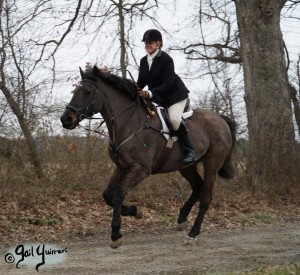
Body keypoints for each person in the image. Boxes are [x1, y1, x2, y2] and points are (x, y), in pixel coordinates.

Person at [137, 29, 196, 164]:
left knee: (174, 120)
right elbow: (141, 82)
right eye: (146, 43)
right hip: (159, 96)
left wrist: (149, 93)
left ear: (159, 44)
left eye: (150, 42)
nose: (147, 45)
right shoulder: (143, 61)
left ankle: (190, 149)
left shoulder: (166, 59)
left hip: (174, 95)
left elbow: (168, 84)